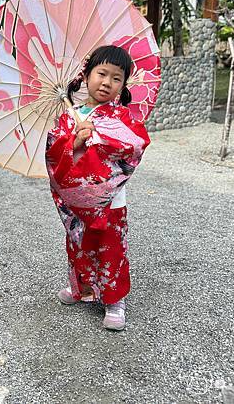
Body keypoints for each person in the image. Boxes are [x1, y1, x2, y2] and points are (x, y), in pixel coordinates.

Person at [45, 45, 151, 331]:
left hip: (110, 198)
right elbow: (55, 155)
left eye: (117, 78)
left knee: (110, 245)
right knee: (78, 243)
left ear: (124, 84)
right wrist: (75, 142)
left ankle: (115, 300)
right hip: (78, 198)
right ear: (86, 75)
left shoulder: (122, 118)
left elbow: (135, 145)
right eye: (101, 73)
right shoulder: (70, 117)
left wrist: (100, 139)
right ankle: (81, 288)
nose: (107, 82)